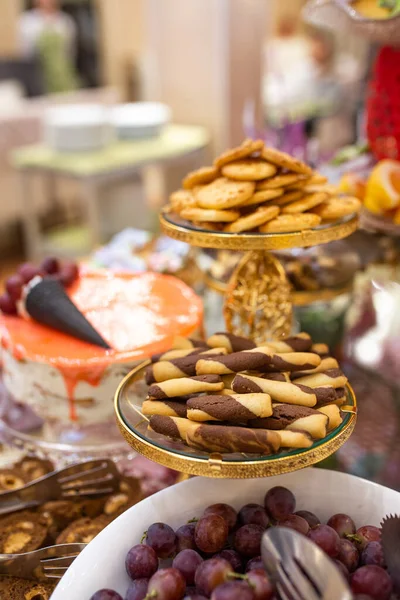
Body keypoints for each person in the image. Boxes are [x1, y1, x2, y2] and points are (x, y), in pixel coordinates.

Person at [18, 0, 79, 93]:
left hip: (63, 71)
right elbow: (25, 52)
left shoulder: (65, 20)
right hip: (38, 72)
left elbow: (70, 50)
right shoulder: (27, 21)